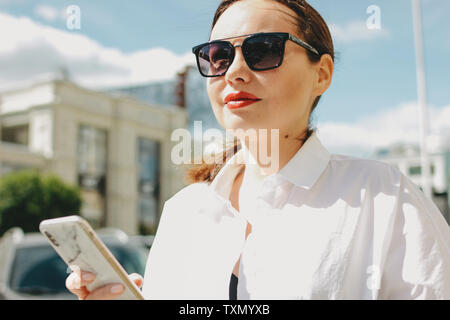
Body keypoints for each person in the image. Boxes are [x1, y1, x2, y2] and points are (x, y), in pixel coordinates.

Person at [66, 0, 450, 300]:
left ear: (322, 74)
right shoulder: (183, 211)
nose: (234, 71)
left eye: (263, 50)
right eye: (218, 56)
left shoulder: (384, 197)